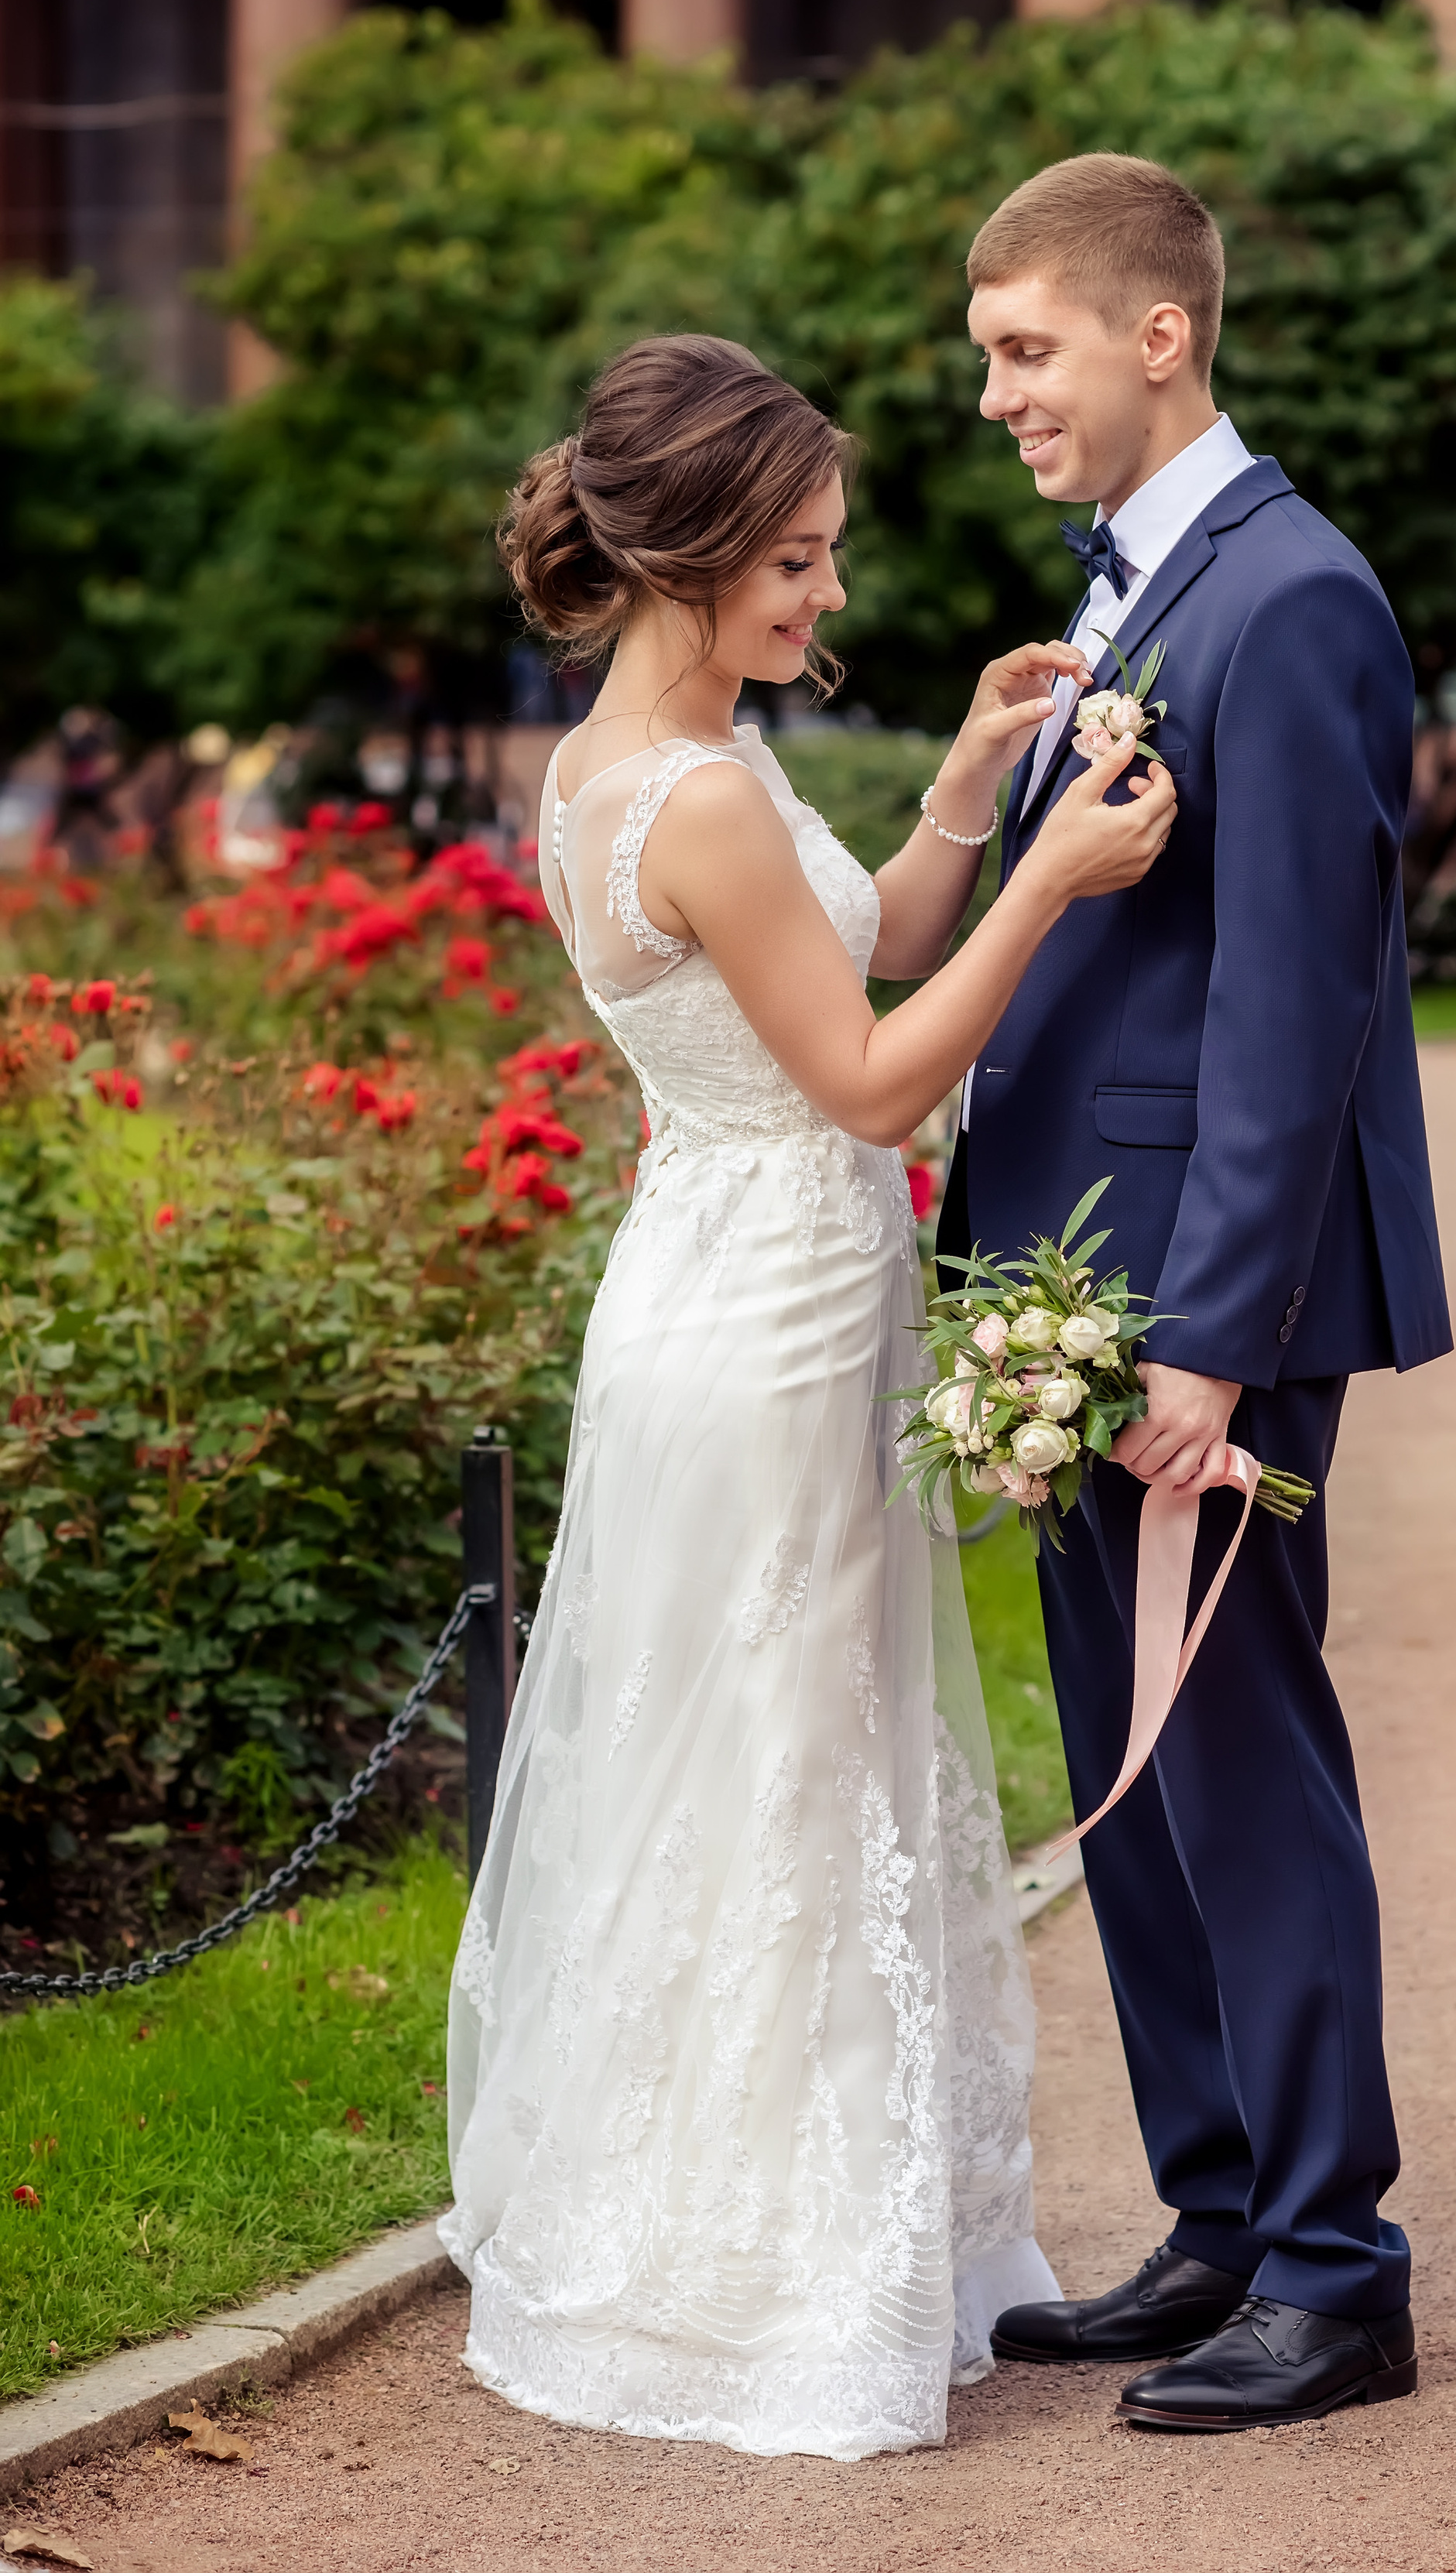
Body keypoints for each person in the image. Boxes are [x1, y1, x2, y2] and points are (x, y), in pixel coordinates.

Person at [439, 333, 1177, 2461]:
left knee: (762, 1743)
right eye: (795, 562)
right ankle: (752, 2265)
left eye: (827, 558)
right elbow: (865, 1072)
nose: (823, 600)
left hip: (731, 1273)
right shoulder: (695, 799)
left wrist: (963, 792)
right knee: (781, 1754)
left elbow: (837, 960)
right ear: (680, 553)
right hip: (757, 1315)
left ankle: (741, 2212)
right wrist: (1049, 880)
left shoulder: (637, 770)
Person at [940, 153, 1452, 2434]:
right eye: (986, 358)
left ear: (1163, 334)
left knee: (1242, 1763)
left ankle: (1338, 2261)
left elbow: (1293, 1008)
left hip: (1191, 1313)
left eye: (1025, 350)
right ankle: (1224, 2207)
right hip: (1078, 1291)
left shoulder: (1296, 601)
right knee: (1136, 1779)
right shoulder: (1143, 598)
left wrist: (1212, 1332)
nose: (994, 398)